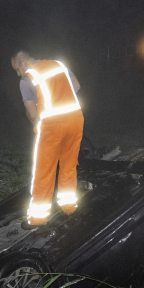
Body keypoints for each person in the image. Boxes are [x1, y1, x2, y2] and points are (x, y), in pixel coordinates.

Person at [11, 50, 84, 227]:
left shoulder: (26, 78)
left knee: (44, 170)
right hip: (75, 119)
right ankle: (69, 207)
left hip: (52, 126)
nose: (18, 73)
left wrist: (36, 122)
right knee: (68, 165)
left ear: (22, 63)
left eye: (17, 69)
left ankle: (37, 218)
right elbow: (76, 86)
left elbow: (31, 112)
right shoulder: (59, 64)